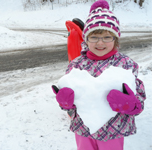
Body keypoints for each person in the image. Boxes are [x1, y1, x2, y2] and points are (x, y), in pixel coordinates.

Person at [52, 0, 146, 150]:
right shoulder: (77, 65)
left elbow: (139, 99)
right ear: (86, 39)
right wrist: (65, 103)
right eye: (94, 37)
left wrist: (130, 104)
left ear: (115, 38)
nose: (100, 43)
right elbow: (72, 103)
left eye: (107, 37)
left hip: (113, 132)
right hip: (83, 130)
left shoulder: (125, 64)